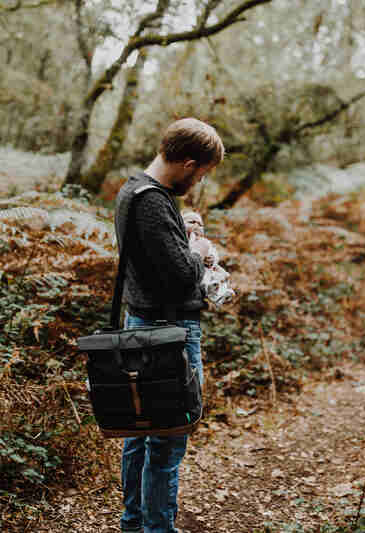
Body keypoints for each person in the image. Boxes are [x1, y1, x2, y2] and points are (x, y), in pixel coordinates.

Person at [113, 117, 225, 533]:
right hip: (168, 333)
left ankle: (134, 523)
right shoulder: (154, 201)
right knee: (166, 439)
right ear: (189, 162)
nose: (196, 184)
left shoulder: (133, 191)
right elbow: (180, 274)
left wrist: (182, 232)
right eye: (200, 174)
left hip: (143, 322)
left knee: (140, 434)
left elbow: (156, 259)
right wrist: (197, 249)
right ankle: (156, 528)